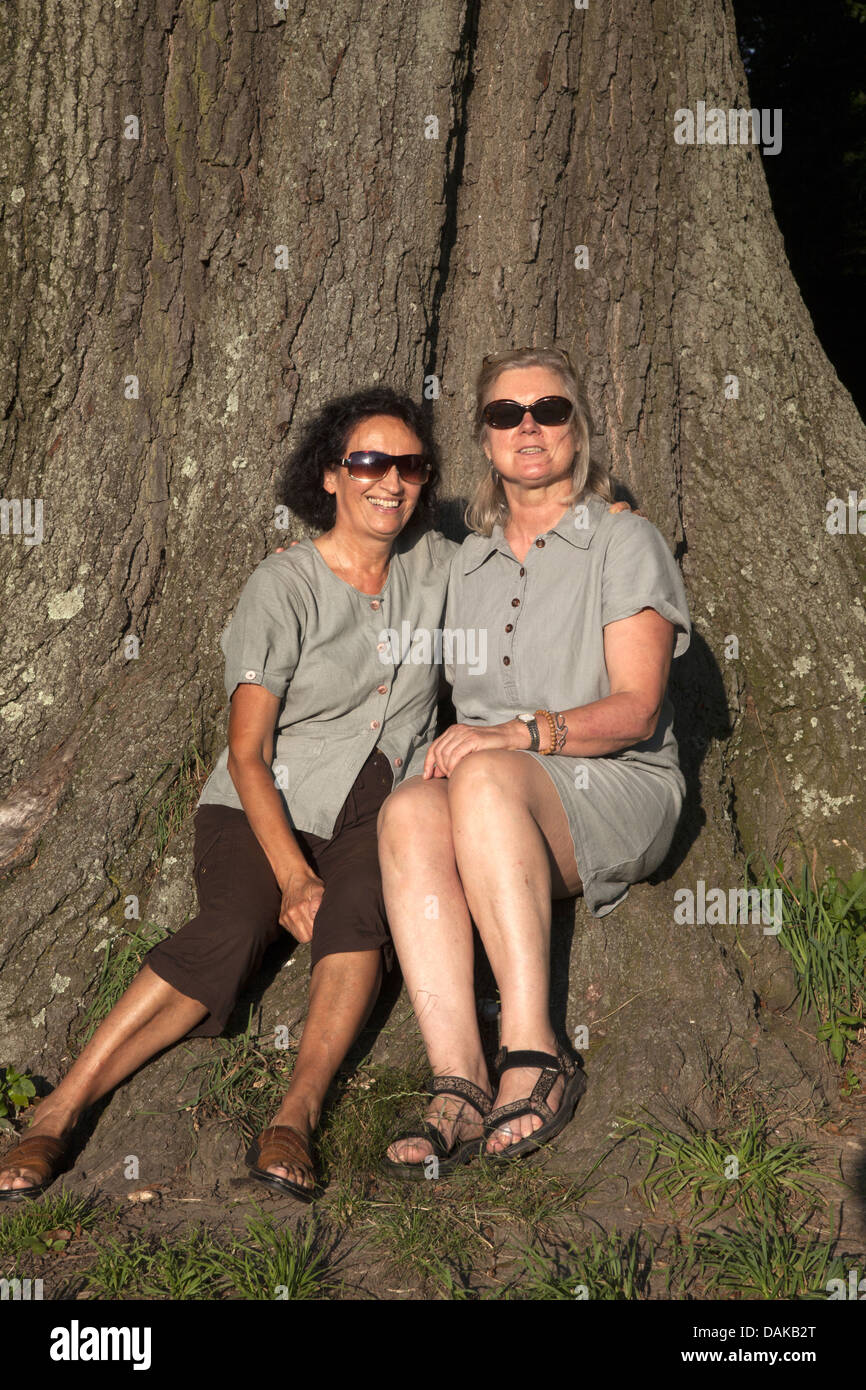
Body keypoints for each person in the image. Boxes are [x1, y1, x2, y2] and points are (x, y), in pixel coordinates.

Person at [0, 387, 453, 1203]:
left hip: (381, 803)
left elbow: (529, 555)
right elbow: (247, 753)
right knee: (233, 928)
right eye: (370, 463)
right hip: (263, 801)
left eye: (409, 466)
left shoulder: (441, 566)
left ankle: (296, 1115)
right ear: (330, 476)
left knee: (362, 919)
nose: (391, 482)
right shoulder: (283, 586)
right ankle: (58, 1111)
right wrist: (292, 875)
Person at [380, 346, 691, 1176]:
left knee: (477, 775)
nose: (528, 427)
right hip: (499, 796)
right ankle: (459, 1078)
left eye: (549, 410)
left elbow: (638, 708)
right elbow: (371, 582)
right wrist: (300, 565)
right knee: (409, 808)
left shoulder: (623, 541)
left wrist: (516, 734)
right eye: (505, 413)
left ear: (576, 429)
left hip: (614, 780)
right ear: (483, 439)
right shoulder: (463, 561)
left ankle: (536, 1053)